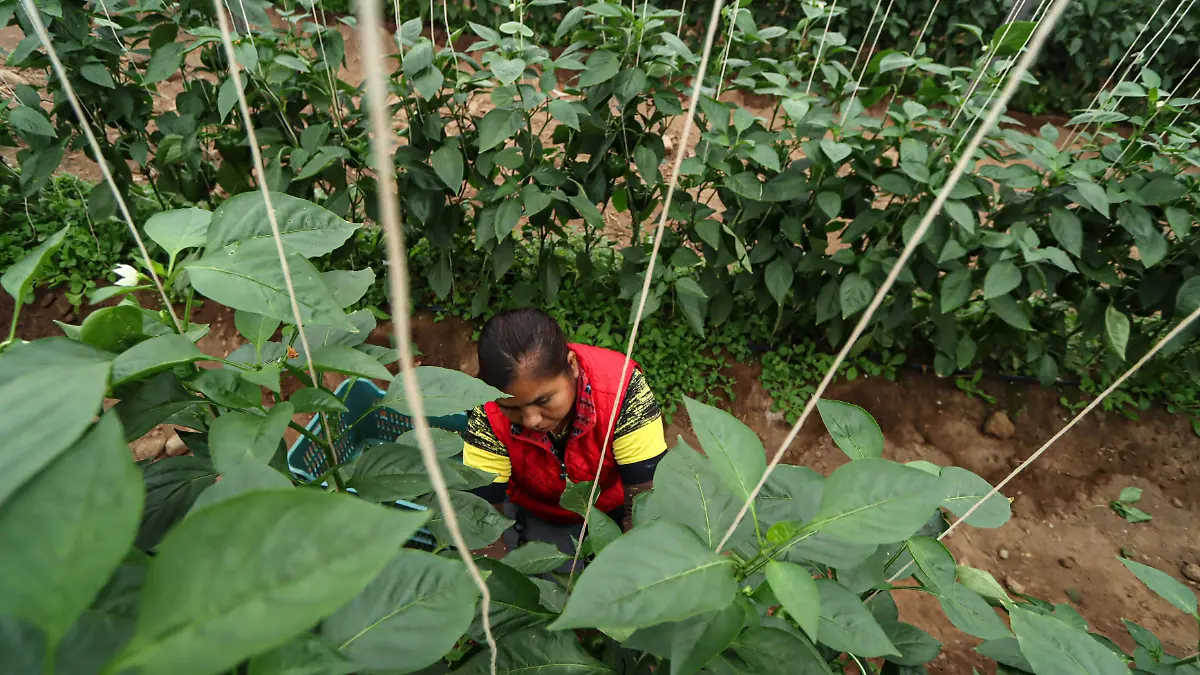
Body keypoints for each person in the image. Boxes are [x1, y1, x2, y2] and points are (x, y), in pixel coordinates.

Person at [463, 308, 667, 563]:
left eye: (544, 400)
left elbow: (645, 503)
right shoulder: (487, 411)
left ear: (571, 366)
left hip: (609, 506)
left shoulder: (623, 393)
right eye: (511, 408)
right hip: (534, 511)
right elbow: (481, 517)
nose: (531, 420)